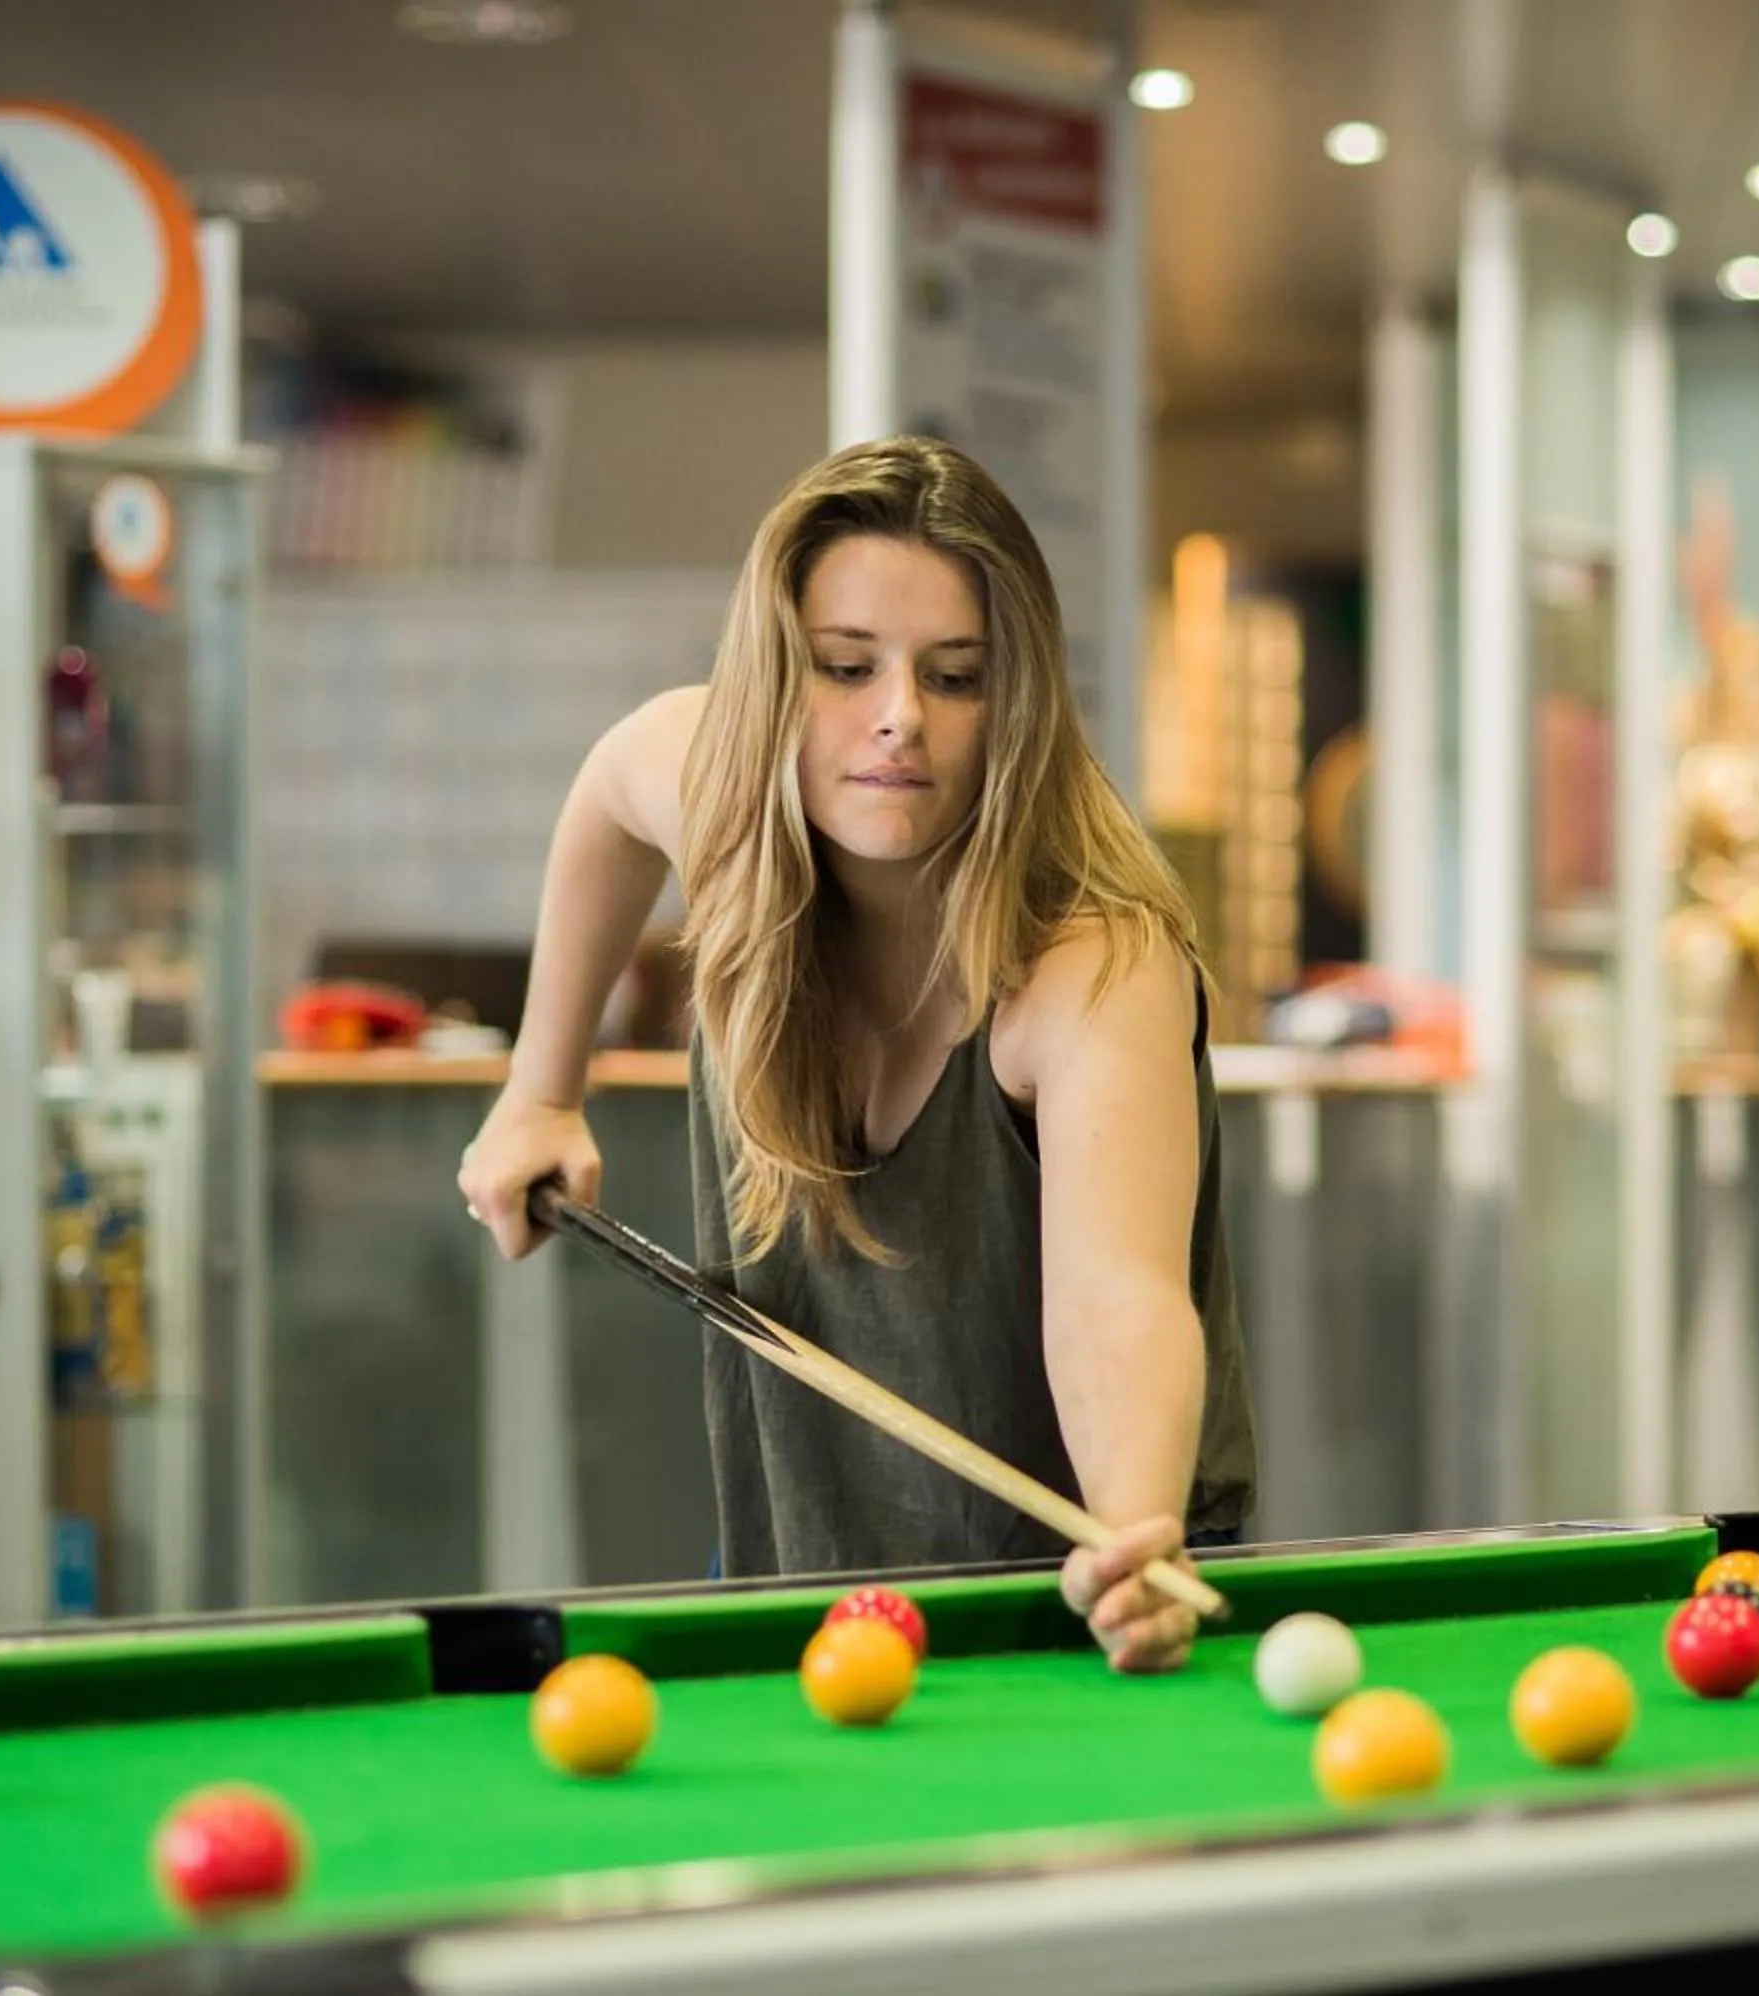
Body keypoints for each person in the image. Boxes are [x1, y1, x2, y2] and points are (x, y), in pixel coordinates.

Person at [458, 437, 1256, 1673]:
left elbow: (1119, 1298)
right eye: (846, 667)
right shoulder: (732, 817)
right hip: (798, 1568)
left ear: (1017, 702)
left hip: (1071, 1608)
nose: (899, 716)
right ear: (782, 677)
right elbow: (615, 786)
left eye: (956, 675)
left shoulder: (1094, 964)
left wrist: (1131, 1539)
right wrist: (540, 1091)